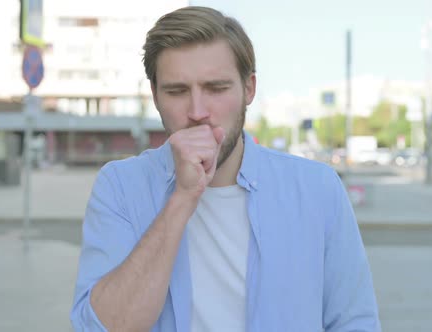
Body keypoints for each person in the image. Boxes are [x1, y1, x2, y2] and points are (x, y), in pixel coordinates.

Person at [71, 6, 380, 332]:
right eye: (177, 91)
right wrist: (183, 198)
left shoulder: (317, 188)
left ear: (249, 89)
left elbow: (353, 322)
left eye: (216, 88)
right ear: (155, 95)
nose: (197, 112)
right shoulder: (119, 186)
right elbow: (103, 327)